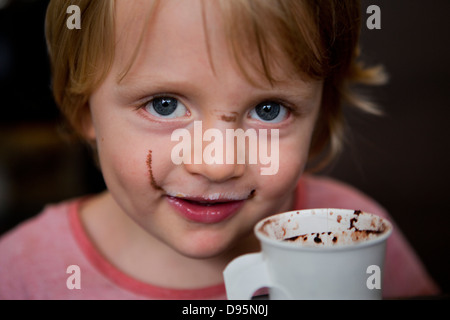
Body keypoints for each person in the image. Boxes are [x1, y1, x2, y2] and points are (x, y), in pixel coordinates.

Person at [0, 0, 439, 299]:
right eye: (164, 105)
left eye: (269, 110)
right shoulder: (20, 272)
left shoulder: (356, 240)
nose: (217, 163)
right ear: (84, 110)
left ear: (320, 119)